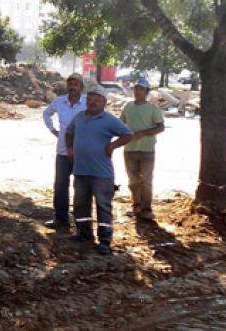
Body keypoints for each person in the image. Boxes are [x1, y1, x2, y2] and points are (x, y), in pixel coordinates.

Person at [66, 85, 132, 255]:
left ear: (104, 102)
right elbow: (69, 132)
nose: (92, 101)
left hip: (102, 174)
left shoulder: (109, 119)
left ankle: (104, 241)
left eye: (97, 99)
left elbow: (127, 135)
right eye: (90, 98)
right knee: (81, 204)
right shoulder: (79, 117)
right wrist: (69, 148)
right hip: (81, 171)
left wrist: (113, 144)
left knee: (103, 206)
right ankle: (83, 233)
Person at [42, 73, 87, 229]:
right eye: (70, 84)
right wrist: (53, 130)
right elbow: (46, 113)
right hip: (62, 151)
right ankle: (61, 219)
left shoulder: (87, 102)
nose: (72, 86)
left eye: (76, 84)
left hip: (82, 152)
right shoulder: (60, 101)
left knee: (81, 187)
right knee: (61, 185)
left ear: (81, 87)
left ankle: (81, 223)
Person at [120, 79, 164, 220]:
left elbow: (161, 127)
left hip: (147, 150)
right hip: (129, 149)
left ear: (146, 92)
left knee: (146, 180)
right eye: (136, 88)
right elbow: (120, 124)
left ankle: (146, 208)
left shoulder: (153, 108)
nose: (137, 91)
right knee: (133, 180)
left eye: (141, 89)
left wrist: (144, 132)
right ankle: (136, 205)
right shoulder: (128, 107)